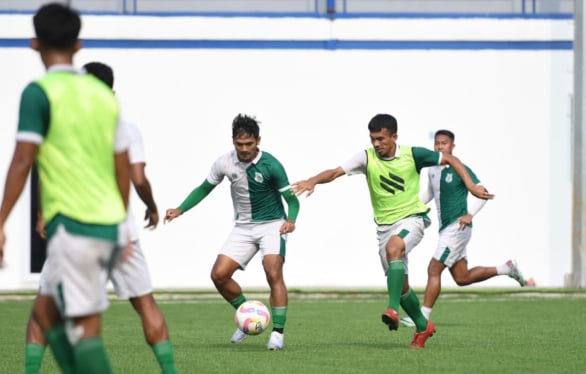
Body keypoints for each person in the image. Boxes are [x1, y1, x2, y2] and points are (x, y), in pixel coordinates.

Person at [0, 3, 131, 373]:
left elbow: (23, 160)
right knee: (45, 309)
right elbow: (122, 168)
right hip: (103, 223)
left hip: (75, 224)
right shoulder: (103, 96)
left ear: (33, 44)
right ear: (78, 46)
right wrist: (121, 224)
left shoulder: (38, 92)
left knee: (84, 328)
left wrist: (1, 222)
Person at [23, 62, 177, 374]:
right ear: (112, 92)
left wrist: (42, 213)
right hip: (119, 231)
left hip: (71, 229)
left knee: (45, 306)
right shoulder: (126, 129)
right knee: (145, 304)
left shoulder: (62, 126)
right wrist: (151, 204)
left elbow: (46, 172)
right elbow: (137, 177)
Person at [291, 113, 494, 348]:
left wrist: (471, 186)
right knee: (402, 284)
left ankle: (391, 308)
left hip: (412, 220)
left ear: (394, 137)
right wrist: (313, 180)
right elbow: (335, 172)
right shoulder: (366, 157)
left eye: (381, 139)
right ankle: (423, 326)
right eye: (373, 139)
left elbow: (451, 159)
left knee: (394, 248)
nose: (376, 144)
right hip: (384, 228)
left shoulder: (413, 155)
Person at [164, 114, 300, 351]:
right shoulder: (224, 162)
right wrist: (180, 209)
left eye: (249, 144)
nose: (244, 149)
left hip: (272, 225)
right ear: (233, 141)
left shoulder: (272, 165)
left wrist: (291, 220)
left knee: (273, 272)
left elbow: (293, 200)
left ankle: (278, 332)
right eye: (240, 144)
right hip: (243, 227)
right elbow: (204, 188)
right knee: (219, 275)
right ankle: (248, 314)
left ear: (258, 141)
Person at [399, 129, 529, 328]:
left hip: (457, 227)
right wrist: (412, 207)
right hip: (446, 229)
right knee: (462, 277)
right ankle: (506, 268)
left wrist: (470, 215)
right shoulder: (432, 169)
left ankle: (422, 316)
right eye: (437, 143)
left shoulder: (460, 168)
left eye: (444, 143)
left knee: (434, 269)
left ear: (452, 146)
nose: (440, 146)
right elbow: (430, 193)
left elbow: (483, 192)